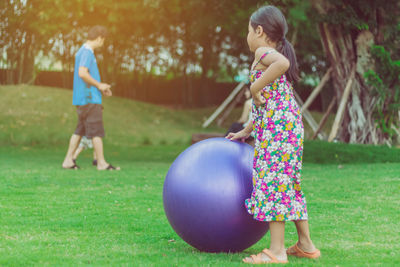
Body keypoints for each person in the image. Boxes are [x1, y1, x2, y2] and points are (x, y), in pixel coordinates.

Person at [226, 5, 320, 264]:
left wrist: (254, 85)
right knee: (288, 183)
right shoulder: (269, 54)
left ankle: (277, 252)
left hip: (280, 131)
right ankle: (305, 244)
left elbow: (283, 64)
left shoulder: (263, 51)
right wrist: (246, 130)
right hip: (286, 128)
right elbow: (267, 103)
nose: (247, 36)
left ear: (259, 30)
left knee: (273, 183)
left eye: (248, 30)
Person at [62, 25, 120, 171]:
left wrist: (100, 88)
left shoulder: (82, 51)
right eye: (103, 40)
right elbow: (82, 73)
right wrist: (99, 85)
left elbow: (84, 75)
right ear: (100, 38)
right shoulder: (87, 52)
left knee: (79, 131)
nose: (103, 43)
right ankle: (101, 163)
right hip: (89, 100)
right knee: (96, 131)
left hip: (83, 99)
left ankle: (68, 160)